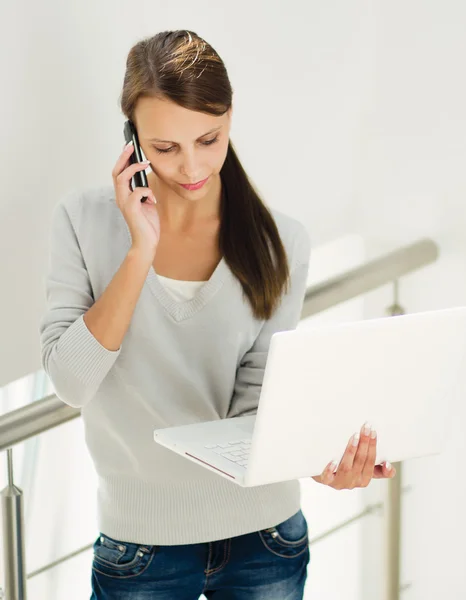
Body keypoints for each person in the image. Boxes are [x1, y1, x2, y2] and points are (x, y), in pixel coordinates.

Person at [39, 29, 396, 600]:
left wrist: (317, 458)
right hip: (141, 546)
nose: (191, 167)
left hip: (267, 537)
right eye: (164, 148)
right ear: (131, 140)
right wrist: (140, 253)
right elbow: (71, 382)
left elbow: (256, 410)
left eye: (209, 139)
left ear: (230, 118)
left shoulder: (281, 241)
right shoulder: (82, 222)